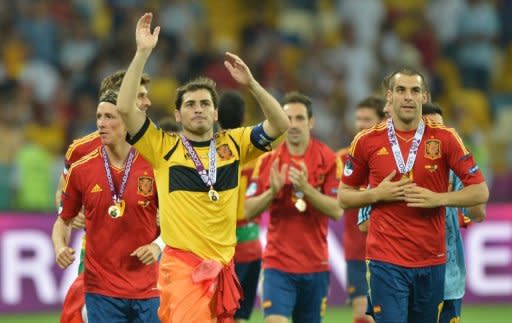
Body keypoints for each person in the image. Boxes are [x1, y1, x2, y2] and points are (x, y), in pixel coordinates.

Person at [116, 12, 290, 322]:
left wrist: (251, 84)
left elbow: (280, 123)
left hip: (223, 266)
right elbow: (125, 108)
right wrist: (142, 53)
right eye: (190, 105)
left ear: (215, 113)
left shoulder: (234, 145)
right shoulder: (162, 147)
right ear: (178, 116)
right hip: (183, 269)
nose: (198, 109)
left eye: (205, 104)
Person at [337, 68, 489, 323]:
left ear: (424, 97)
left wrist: (438, 198)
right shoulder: (366, 141)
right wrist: (377, 194)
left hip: (431, 261)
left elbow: (480, 191)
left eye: (414, 91)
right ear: (390, 96)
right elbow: (344, 197)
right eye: (401, 90)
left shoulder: (445, 138)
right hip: (385, 261)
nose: (408, 97)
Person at [52, 90, 161, 323]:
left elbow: (175, 219)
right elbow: (63, 219)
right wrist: (60, 246)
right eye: (99, 117)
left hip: (149, 287)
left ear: (127, 120)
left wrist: (157, 245)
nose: (102, 123)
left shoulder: (155, 165)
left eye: (110, 117)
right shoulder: (81, 169)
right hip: (101, 290)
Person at [245, 91, 342, 323]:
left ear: (311, 122)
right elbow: (248, 210)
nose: (294, 124)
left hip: (315, 266)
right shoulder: (269, 161)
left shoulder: (327, 159)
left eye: (300, 118)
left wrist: (306, 189)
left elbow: (337, 210)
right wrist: (272, 191)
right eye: (288, 118)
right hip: (278, 265)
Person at [337, 96, 385, 323]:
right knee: (361, 312)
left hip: (387, 249)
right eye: (358, 119)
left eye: (367, 119)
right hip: (356, 250)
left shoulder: (391, 160)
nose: (361, 124)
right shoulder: (341, 159)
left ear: (381, 121)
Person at [216, 90, 261, 323]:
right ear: (244, 119)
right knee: (241, 315)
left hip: (218, 243)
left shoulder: (208, 151)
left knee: (219, 313)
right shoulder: (255, 154)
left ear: (216, 116)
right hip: (249, 243)